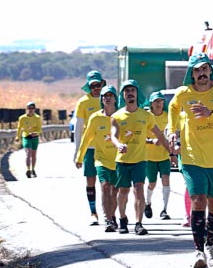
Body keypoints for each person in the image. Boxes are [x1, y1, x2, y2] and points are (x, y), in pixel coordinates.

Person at [167, 54, 213, 268]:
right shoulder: (183, 93)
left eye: (205, 69)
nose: (202, 74)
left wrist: (211, 113)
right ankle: (199, 251)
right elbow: (173, 108)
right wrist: (172, 130)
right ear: (192, 73)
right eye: (197, 70)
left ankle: (211, 245)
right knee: (198, 200)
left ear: (210, 71)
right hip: (192, 157)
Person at [110, 80, 168, 236]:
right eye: (127, 91)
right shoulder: (116, 116)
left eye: (132, 90)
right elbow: (113, 135)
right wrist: (118, 145)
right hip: (122, 160)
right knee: (123, 191)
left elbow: (159, 135)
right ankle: (122, 219)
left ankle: (138, 223)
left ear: (137, 94)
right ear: (123, 95)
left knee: (139, 190)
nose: (130, 93)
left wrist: (171, 152)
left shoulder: (146, 116)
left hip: (140, 160)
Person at [73, 85, 119, 232]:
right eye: (105, 96)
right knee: (105, 186)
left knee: (115, 190)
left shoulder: (121, 116)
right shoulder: (95, 118)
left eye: (110, 95)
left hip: (118, 159)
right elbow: (86, 138)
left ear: (115, 99)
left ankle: (113, 215)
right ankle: (108, 219)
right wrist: (79, 157)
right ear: (101, 100)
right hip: (101, 158)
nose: (107, 98)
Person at [72, 71, 107, 224]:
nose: (96, 88)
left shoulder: (108, 99)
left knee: (106, 182)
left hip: (106, 147)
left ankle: (107, 212)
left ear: (102, 84)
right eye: (93, 86)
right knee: (91, 180)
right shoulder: (83, 102)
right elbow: (78, 127)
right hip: (90, 148)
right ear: (88, 87)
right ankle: (93, 212)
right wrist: (77, 151)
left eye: (98, 85)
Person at [143, 92, 174, 219]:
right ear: (151, 103)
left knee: (166, 180)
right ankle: (147, 203)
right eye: (156, 101)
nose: (159, 103)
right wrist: (151, 141)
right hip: (149, 157)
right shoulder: (146, 116)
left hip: (164, 156)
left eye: (161, 101)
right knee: (152, 183)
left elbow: (172, 132)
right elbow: (139, 137)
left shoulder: (168, 116)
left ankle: (164, 209)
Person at [16, 102, 42, 178]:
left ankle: (33, 169)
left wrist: (36, 133)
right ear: (27, 109)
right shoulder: (22, 118)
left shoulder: (37, 118)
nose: (31, 110)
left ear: (34, 109)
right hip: (26, 137)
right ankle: (28, 170)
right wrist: (17, 137)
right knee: (28, 153)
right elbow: (19, 128)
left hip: (34, 137)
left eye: (32, 108)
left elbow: (39, 129)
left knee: (33, 154)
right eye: (29, 108)